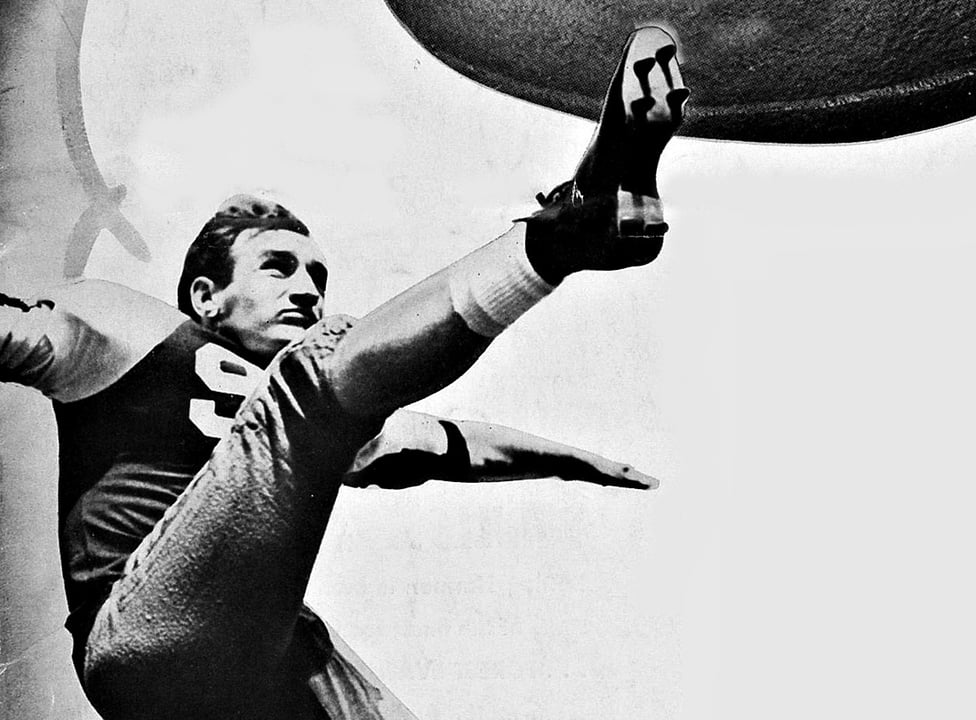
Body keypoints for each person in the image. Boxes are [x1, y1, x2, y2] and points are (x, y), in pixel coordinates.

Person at [0, 27, 688, 720]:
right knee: (316, 369)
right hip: (143, 633)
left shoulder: (313, 419)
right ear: (208, 296)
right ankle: (566, 229)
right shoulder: (130, 333)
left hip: (253, 657)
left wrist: (579, 463)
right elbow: (26, 335)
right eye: (278, 267)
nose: (307, 291)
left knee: (347, 671)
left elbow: (453, 446)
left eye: (317, 278)